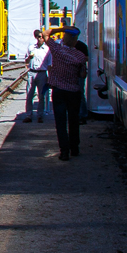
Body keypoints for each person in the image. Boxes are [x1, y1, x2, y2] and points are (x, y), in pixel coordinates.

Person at [45, 26, 88, 161]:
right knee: (73, 120)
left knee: (60, 122)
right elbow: (82, 75)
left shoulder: (57, 50)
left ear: (64, 38)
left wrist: (62, 28)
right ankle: (74, 147)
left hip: (59, 91)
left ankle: (64, 151)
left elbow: (45, 34)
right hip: (74, 92)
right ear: (75, 40)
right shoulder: (80, 56)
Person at [24, 29, 51, 123]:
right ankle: (28, 115)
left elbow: (49, 64)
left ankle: (40, 115)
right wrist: (29, 58)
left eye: (42, 37)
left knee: (41, 96)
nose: (40, 39)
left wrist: (50, 77)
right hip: (32, 72)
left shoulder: (47, 50)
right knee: (29, 95)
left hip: (42, 73)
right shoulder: (31, 48)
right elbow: (26, 61)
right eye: (39, 37)